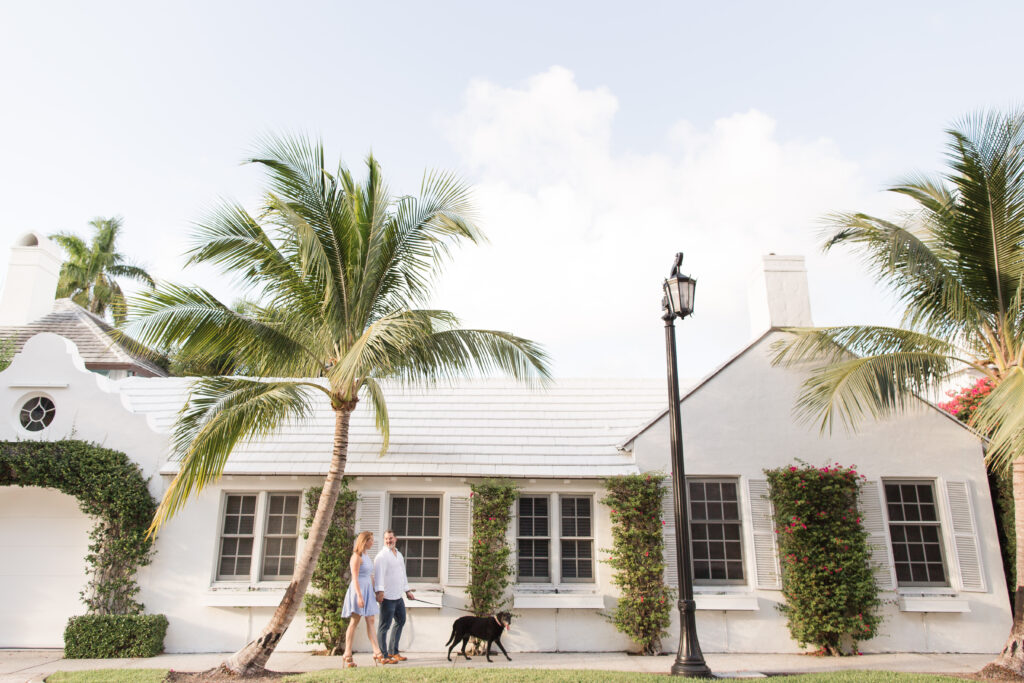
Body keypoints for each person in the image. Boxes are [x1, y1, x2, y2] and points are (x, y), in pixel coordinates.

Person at [341, 531, 391, 667]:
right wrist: (359, 596)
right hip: (359, 591)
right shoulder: (356, 557)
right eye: (371, 540)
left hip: (368, 590)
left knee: (371, 620)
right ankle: (347, 653)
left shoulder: (366, 556)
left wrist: (376, 592)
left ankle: (377, 652)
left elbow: (370, 576)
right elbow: (355, 578)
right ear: (364, 541)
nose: (373, 542)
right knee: (354, 621)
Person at [374, 529, 415, 662]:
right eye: (386, 538)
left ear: (395, 539)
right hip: (387, 597)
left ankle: (393, 651)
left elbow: (402, 574)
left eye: (391, 538)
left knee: (401, 621)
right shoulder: (382, 556)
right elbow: (378, 575)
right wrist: (380, 592)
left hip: (398, 596)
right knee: (384, 626)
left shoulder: (399, 554)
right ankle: (383, 655)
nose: (388, 541)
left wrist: (407, 590)